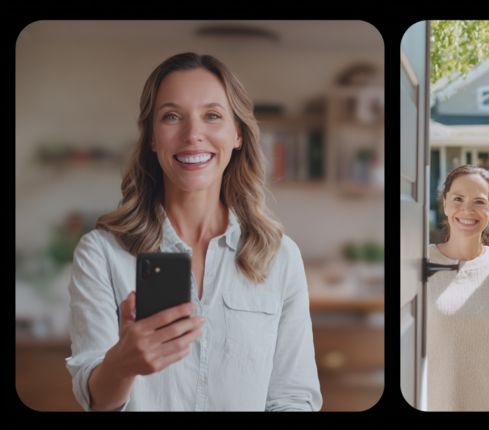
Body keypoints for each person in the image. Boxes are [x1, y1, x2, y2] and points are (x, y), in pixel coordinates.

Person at [65, 52, 322, 411]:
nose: (193, 135)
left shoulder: (281, 257)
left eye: (212, 116)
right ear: (152, 138)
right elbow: (95, 400)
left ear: (237, 134)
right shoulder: (100, 254)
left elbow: (292, 398)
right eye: (172, 117)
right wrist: (121, 365)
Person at [427, 165, 489, 411]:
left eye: (479, 201)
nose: (467, 210)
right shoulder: (416, 264)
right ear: (445, 204)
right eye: (458, 199)